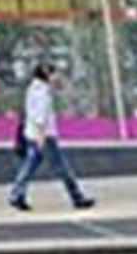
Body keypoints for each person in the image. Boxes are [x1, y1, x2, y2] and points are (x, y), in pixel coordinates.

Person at [9, 57, 93, 211]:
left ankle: (17, 194)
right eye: (54, 74)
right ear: (46, 74)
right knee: (62, 167)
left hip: (33, 134)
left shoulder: (33, 88)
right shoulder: (42, 92)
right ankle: (77, 197)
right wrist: (41, 137)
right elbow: (40, 117)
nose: (57, 77)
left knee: (30, 164)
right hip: (45, 136)